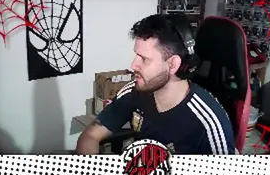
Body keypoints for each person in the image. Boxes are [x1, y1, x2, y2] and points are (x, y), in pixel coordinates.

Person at [77, 14, 235, 155]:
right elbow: (90, 135)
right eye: (136, 55)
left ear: (172, 65)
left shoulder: (209, 123)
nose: (133, 65)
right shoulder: (134, 90)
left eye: (144, 59)